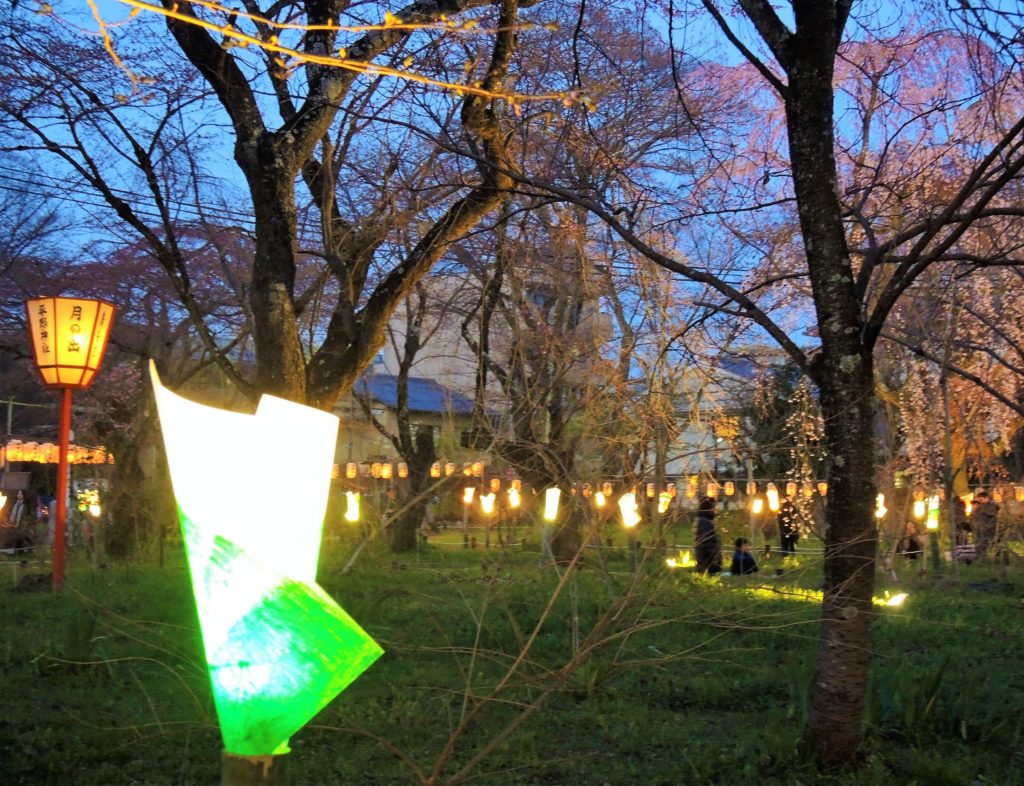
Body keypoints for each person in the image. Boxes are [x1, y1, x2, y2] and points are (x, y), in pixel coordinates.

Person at [694, 496, 722, 574]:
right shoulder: (704, 522)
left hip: (706, 558)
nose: (715, 510)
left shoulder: (704, 520)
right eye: (713, 507)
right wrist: (714, 559)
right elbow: (708, 541)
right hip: (707, 559)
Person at [970, 489, 999, 561]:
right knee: (979, 543)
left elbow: (990, 515)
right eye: (979, 499)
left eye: (981, 499)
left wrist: (978, 508)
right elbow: (973, 515)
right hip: (979, 527)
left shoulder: (992, 505)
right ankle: (980, 557)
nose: (980, 501)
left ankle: (992, 557)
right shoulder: (980, 505)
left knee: (986, 542)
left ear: (986, 498)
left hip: (988, 528)